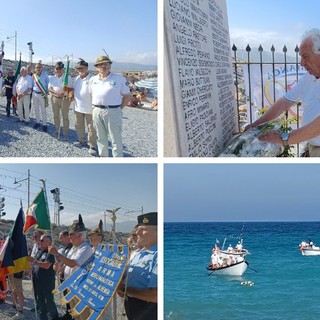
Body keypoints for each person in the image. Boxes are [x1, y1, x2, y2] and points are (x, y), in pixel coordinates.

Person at [247, 28, 320, 157]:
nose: (302, 63)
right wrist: (257, 124)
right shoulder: (309, 77)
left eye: (305, 56)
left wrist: (284, 138)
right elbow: (285, 102)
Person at [49, 215, 93, 320]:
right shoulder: (74, 248)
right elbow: (66, 265)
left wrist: (57, 254)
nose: (69, 237)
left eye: (72, 235)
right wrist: (59, 269)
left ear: (80, 235)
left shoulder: (85, 249)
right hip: (71, 286)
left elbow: (73, 263)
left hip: (80, 288)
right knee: (75, 315)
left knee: (83, 315)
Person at [90, 55, 132, 157]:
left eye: (106, 63)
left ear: (110, 65)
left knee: (115, 139)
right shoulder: (93, 80)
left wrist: (118, 108)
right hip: (96, 110)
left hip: (113, 111)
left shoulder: (119, 79)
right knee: (100, 138)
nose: (103, 66)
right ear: (97, 67)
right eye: (101, 64)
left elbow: (127, 96)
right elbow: (92, 94)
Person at [118, 212, 157, 320]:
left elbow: (155, 295)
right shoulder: (139, 253)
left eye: (143, 230)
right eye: (138, 229)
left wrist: (125, 290)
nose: (137, 233)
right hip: (131, 306)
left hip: (147, 309)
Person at [28, 234, 59, 320]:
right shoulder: (40, 251)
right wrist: (32, 269)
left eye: (42, 240)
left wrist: (33, 260)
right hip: (38, 281)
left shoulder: (51, 252)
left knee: (49, 301)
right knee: (40, 302)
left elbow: (47, 265)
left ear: (48, 242)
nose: (39, 242)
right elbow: (36, 264)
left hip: (47, 282)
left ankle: (54, 317)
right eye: (40, 240)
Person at [73, 59, 97, 156]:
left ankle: (92, 145)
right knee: (79, 125)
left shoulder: (93, 79)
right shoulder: (76, 79)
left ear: (86, 68)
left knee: (91, 128)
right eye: (78, 68)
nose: (80, 70)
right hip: (78, 107)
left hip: (90, 108)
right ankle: (81, 140)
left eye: (82, 68)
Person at [48, 61, 73, 140]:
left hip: (64, 99)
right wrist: (56, 92)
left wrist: (65, 93)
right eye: (57, 69)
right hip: (55, 98)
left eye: (60, 69)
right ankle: (57, 130)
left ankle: (66, 133)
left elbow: (71, 89)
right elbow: (49, 88)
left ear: (63, 69)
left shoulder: (67, 78)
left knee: (65, 116)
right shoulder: (52, 78)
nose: (58, 70)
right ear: (54, 69)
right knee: (56, 116)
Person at [32, 62, 50, 132]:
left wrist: (46, 91)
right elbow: (32, 84)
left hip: (42, 94)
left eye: (39, 67)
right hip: (34, 94)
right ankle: (38, 122)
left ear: (42, 68)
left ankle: (45, 124)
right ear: (35, 69)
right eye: (37, 67)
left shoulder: (45, 75)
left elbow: (49, 83)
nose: (38, 69)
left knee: (43, 110)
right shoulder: (34, 76)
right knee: (36, 109)